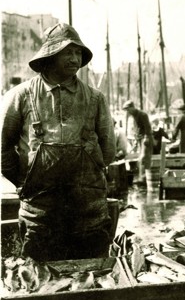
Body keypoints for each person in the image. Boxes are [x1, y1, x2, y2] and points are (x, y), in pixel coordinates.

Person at [1, 23, 115, 261]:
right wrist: (22, 182)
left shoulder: (95, 98)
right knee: (40, 278)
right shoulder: (20, 96)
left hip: (88, 212)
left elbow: (108, 151)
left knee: (92, 275)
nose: (75, 58)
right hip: (40, 212)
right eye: (68, 52)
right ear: (50, 56)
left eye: (78, 53)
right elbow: (2, 148)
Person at [122, 100, 153, 184]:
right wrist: (136, 140)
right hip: (140, 138)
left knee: (143, 158)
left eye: (128, 109)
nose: (128, 112)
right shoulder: (134, 116)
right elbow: (137, 129)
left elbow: (147, 127)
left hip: (146, 138)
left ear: (132, 107)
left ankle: (144, 178)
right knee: (140, 158)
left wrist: (146, 137)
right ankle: (143, 178)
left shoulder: (142, 115)